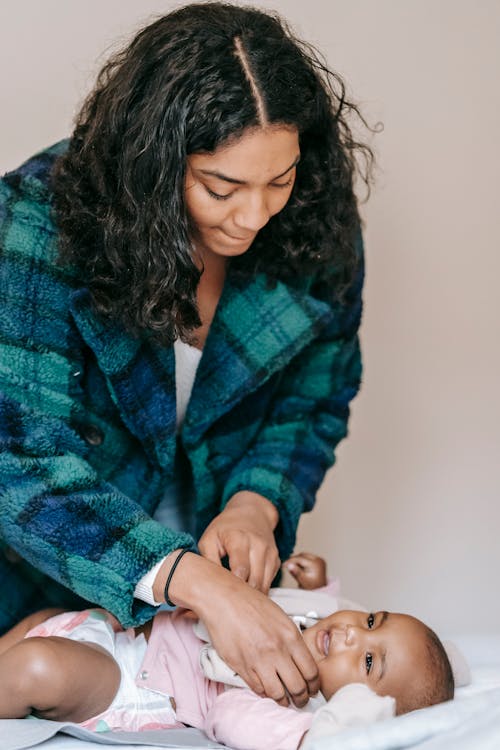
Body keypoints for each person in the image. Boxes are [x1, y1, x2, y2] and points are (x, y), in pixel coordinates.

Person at [0, 2, 372, 707]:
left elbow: (315, 396)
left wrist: (258, 503)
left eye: (278, 180)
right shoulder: (36, 223)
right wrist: (193, 580)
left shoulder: (317, 220)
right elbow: (16, 456)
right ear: (151, 164)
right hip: (36, 575)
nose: (255, 215)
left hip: (191, 622)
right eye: (221, 187)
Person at [0, 554, 454, 750]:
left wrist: (310, 740)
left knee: (37, 667)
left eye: (370, 662)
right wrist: (317, 586)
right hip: (115, 627)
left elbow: (237, 721)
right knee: (39, 625)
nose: (355, 633)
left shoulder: (282, 697)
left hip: (127, 683)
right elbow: (331, 610)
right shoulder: (323, 628)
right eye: (373, 620)